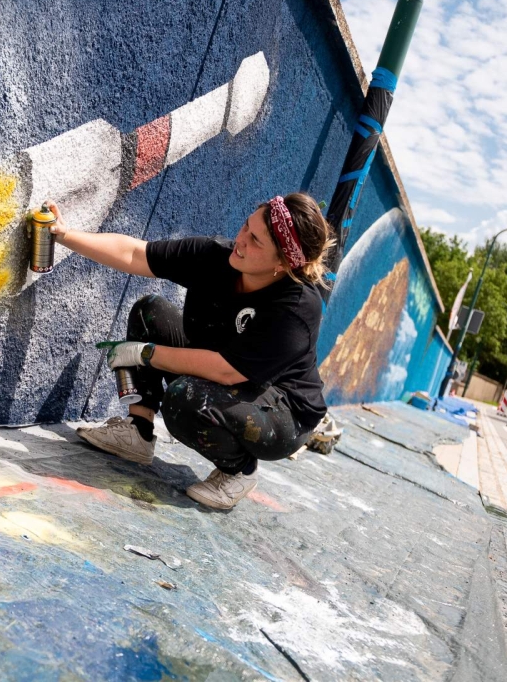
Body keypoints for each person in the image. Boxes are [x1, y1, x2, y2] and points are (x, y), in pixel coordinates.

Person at [46, 193, 335, 510]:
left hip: (283, 412)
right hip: (226, 374)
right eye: (245, 227)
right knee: (150, 312)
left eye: (255, 240)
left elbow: (227, 371)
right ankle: (138, 434)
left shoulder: (297, 306)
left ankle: (238, 470)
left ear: (281, 262)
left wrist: (145, 354)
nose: (241, 240)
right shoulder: (217, 257)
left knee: (186, 398)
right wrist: (65, 235)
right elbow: (135, 254)